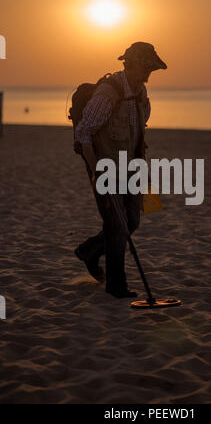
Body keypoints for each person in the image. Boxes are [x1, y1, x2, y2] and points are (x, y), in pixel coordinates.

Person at [74, 42, 167, 298]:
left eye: (151, 70)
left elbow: (140, 128)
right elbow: (83, 134)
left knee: (132, 221)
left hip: (132, 168)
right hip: (106, 169)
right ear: (129, 64)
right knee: (117, 226)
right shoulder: (107, 94)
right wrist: (96, 173)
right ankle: (116, 286)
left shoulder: (141, 93)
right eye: (145, 68)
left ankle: (90, 250)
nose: (148, 74)